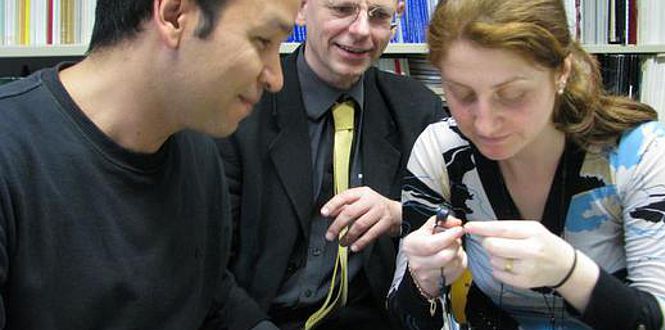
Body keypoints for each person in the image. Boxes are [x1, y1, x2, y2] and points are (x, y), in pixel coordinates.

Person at [387, 0, 665, 329]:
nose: (485, 124)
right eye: (462, 94)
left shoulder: (637, 152)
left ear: (562, 71)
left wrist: (570, 273)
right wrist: (422, 282)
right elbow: (404, 315)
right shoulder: (444, 150)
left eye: (514, 95)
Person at [0, 0, 299, 328]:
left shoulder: (200, 156)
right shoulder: (13, 157)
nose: (276, 79)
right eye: (263, 41)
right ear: (174, 16)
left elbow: (212, 299)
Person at [216, 0, 446, 328]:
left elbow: (459, 223)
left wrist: (400, 214)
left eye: (378, 16)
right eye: (341, 9)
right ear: (300, 9)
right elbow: (205, 268)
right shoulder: (239, 110)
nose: (361, 31)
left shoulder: (418, 110)